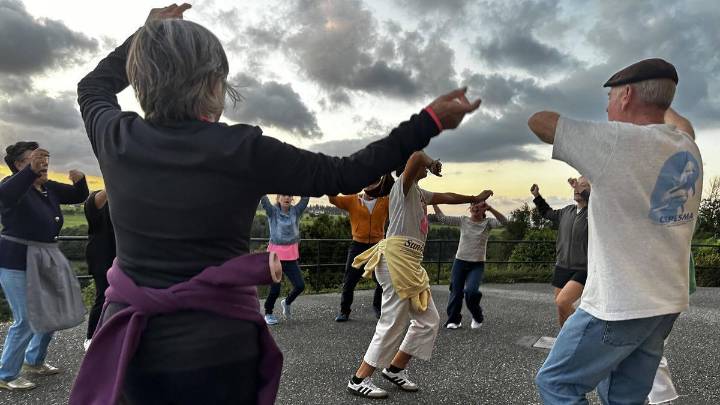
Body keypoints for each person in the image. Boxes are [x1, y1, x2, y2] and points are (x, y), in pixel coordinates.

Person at [69, 4, 483, 404]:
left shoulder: (117, 138)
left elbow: (92, 86)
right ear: (214, 84)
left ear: (139, 80)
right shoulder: (241, 149)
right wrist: (428, 122)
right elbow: (346, 172)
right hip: (218, 343)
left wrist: (145, 35)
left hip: (131, 341)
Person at [530, 58, 703, 404]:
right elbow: (680, 121)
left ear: (626, 95)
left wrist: (603, 129)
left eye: (609, 98)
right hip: (664, 305)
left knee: (555, 383)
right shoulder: (687, 146)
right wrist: (660, 100)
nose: (606, 109)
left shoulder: (616, 142)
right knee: (623, 398)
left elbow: (538, 121)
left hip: (619, 304)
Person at [347, 151, 493, 399]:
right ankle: (359, 378)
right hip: (396, 260)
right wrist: (431, 163)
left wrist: (473, 197)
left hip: (410, 263)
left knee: (428, 321)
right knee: (393, 321)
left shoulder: (418, 193)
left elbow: (446, 196)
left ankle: (394, 369)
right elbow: (415, 156)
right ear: (408, 169)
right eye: (422, 166)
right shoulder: (401, 188)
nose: (425, 168)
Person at [0, 142, 89, 390]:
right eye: (34, 159)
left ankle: (34, 361)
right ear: (19, 164)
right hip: (16, 259)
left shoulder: (48, 188)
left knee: (49, 312)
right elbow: (5, 195)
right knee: (26, 319)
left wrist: (80, 181)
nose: (43, 163)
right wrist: (29, 172)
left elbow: (78, 196)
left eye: (43, 159)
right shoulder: (12, 186)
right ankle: (5, 375)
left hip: (46, 257)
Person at [432, 200, 507, 330]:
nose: (475, 207)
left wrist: (491, 209)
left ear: (484, 210)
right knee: (456, 292)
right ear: (470, 208)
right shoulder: (463, 220)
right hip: (460, 262)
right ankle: (454, 320)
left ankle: (477, 316)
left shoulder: (487, 223)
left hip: (477, 265)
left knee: (471, 292)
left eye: (480, 206)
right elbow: (443, 219)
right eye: (473, 205)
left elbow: (505, 222)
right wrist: (434, 203)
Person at [330, 176, 390, 322]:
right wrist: (330, 182)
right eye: (369, 183)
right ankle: (344, 311)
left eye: (375, 183)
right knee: (349, 280)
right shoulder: (352, 200)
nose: (372, 187)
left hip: (378, 245)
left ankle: (378, 308)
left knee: (381, 280)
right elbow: (333, 199)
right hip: (358, 245)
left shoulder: (385, 201)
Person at [530, 177, 590, 327]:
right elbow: (547, 213)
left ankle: (582, 329)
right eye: (576, 185)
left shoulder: (595, 212)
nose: (576, 188)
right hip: (562, 266)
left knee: (563, 301)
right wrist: (537, 197)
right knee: (561, 308)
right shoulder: (566, 211)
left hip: (583, 268)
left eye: (583, 186)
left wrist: (581, 189)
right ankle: (565, 341)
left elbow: (596, 202)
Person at [261, 195, 310, 325]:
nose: (287, 198)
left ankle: (287, 302)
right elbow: (264, 199)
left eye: (289, 195)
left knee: (300, 286)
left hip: (291, 257)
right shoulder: (272, 212)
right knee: (275, 290)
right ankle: (268, 313)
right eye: (283, 195)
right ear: (278, 198)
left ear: (292, 198)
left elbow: (305, 198)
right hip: (275, 257)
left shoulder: (296, 211)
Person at [83, 189, 115, 350]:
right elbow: (93, 204)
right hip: (102, 258)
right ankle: (91, 337)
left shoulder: (126, 200)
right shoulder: (94, 200)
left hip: (121, 257)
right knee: (103, 297)